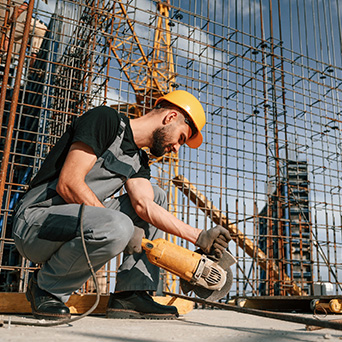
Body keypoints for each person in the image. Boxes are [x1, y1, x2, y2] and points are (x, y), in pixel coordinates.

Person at [12, 90, 231, 320]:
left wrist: (199, 236)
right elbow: (69, 183)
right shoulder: (105, 120)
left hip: (77, 221)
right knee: (118, 226)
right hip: (37, 223)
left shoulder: (138, 160)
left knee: (156, 195)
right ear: (170, 117)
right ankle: (47, 288)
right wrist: (120, 228)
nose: (176, 148)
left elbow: (146, 206)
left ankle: (132, 294)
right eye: (181, 138)